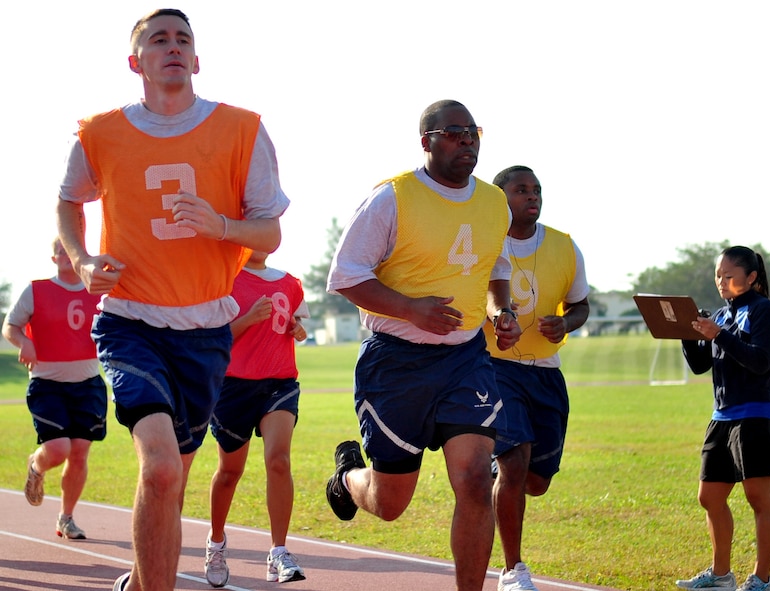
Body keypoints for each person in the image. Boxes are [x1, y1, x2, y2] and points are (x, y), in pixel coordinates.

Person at [54, 9, 289, 591]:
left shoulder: (243, 129)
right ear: (136, 62)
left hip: (207, 329)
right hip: (131, 320)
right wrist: (83, 261)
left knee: (173, 479)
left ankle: (142, 578)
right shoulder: (99, 133)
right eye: (158, 39)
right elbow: (67, 202)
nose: (173, 46)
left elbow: (270, 234)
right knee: (159, 467)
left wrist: (221, 226)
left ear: (198, 58)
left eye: (184, 38)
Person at [324, 99, 520, 591]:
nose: (467, 142)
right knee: (391, 505)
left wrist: (502, 313)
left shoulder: (494, 202)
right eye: (454, 133)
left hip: (465, 359)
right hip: (396, 362)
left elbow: (494, 266)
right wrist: (411, 308)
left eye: (473, 132)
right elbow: (346, 276)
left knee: (476, 481)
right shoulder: (392, 198)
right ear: (426, 139)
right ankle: (349, 476)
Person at [484, 166, 590, 591]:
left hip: (546, 375)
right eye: (521, 189)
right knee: (514, 462)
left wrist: (566, 325)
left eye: (537, 190)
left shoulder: (565, 247)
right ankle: (513, 571)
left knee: (537, 482)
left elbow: (580, 305)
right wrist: (497, 319)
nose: (532, 196)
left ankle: (492, 476)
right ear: (499, 198)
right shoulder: (483, 242)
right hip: (494, 369)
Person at [204, 250, 309, 587]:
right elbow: (212, 340)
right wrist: (248, 318)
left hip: (279, 383)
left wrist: (297, 329)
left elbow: (299, 325)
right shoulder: (225, 278)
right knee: (229, 472)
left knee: (278, 460)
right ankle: (216, 543)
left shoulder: (290, 283)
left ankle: (278, 551)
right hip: (232, 387)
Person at [677, 246, 770, 591]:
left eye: (729, 275)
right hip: (721, 416)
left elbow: (761, 361)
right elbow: (700, 365)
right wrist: (689, 335)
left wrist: (719, 334)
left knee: (759, 498)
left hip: (756, 415)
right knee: (710, 497)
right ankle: (721, 576)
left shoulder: (765, 312)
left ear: (751, 278)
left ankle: (762, 579)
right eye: (718, 275)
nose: (722, 281)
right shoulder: (719, 315)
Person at [2, 238, 108, 541]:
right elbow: (10, 326)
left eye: (69, 249)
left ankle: (66, 518)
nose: (64, 254)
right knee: (59, 449)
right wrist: (24, 342)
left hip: (88, 384)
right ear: (53, 258)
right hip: (47, 384)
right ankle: (36, 465)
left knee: (79, 454)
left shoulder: (97, 293)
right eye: (59, 250)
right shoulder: (36, 290)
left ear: (78, 256)